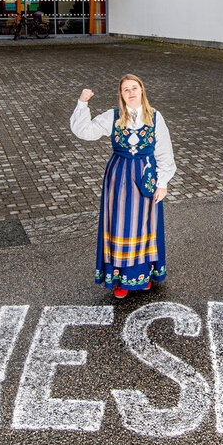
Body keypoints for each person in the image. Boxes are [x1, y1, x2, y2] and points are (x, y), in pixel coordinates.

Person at [70, 74, 175, 298]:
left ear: (142, 91)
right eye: (126, 89)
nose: (131, 93)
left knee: (146, 224)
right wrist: (82, 103)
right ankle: (120, 279)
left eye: (134, 88)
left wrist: (162, 182)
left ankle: (143, 275)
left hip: (146, 176)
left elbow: (165, 151)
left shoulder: (155, 117)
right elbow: (84, 131)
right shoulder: (114, 117)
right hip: (119, 178)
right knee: (120, 225)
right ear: (121, 94)